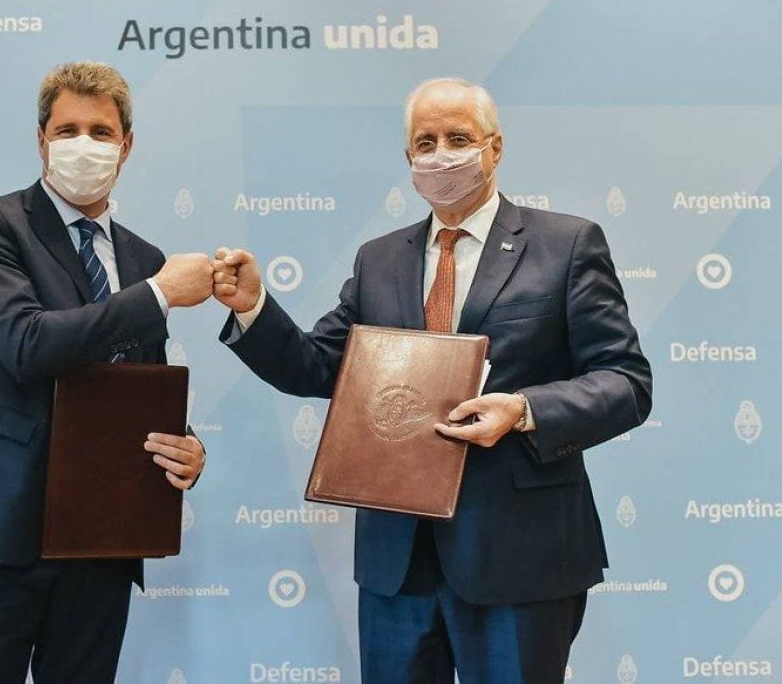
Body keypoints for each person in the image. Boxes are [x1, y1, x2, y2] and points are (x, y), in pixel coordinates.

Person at [210, 78, 652, 683]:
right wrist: (254, 308)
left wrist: (522, 410)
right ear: (409, 158)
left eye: (459, 139)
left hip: (518, 555)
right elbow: (318, 365)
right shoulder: (379, 259)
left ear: (495, 147)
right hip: (398, 562)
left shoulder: (567, 244)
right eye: (426, 142)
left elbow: (625, 381)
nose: (442, 155)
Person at [0, 61, 211, 683]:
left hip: (102, 535)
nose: (84, 144)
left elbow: (138, 387)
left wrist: (186, 445)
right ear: (41, 139)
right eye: (67, 130)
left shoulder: (143, 258)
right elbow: (26, 343)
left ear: (127, 146)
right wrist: (158, 294)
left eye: (101, 132)